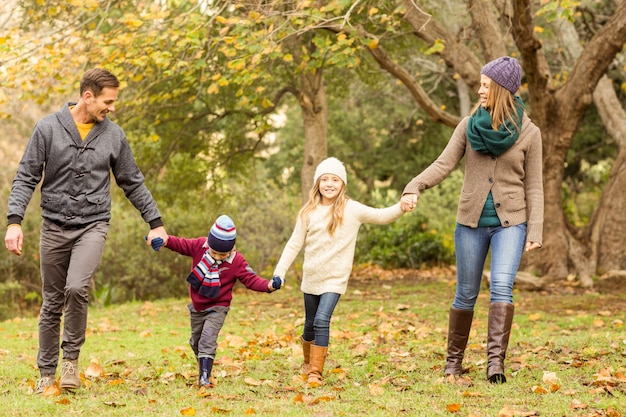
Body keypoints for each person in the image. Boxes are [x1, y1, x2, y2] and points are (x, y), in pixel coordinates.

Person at [4, 68, 169, 394]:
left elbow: (132, 182)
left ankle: (71, 362)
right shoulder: (48, 128)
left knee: (77, 288)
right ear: (88, 96)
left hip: (92, 224)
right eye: (108, 101)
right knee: (52, 301)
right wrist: (14, 221)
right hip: (53, 226)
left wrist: (156, 221)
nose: (112, 108)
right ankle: (47, 372)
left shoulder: (113, 136)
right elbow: (25, 177)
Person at [401, 56, 543, 384]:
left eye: (485, 85)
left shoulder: (530, 133)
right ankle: (454, 363)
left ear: (502, 90)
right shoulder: (467, 126)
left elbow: (534, 185)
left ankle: (495, 365)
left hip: (511, 223)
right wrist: (415, 185)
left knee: (502, 286)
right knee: (466, 292)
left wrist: (535, 227)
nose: (480, 90)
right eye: (480, 84)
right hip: (470, 222)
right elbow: (442, 164)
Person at [273, 157, 414, 387]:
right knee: (309, 324)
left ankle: (315, 372)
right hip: (311, 277)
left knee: (321, 320)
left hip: (335, 279)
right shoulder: (307, 212)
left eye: (335, 179)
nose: (330, 184)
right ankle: (309, 363)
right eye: (325, 179)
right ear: (317, 183)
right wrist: (280, 272)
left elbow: (381, 215)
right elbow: (293, 245)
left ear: (343, 184)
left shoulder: (352, 209)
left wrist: (401, 206)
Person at [162, 214, 283, 389]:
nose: (218, 257)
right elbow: (180, 244)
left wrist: (269, 285)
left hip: (218, 307)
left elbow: (251, 279)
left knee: (207, 340)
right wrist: (164, 240)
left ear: (232, 248)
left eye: (223, 254)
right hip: (197, 306)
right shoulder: (199, 246)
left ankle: (204, 379)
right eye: (214, 252)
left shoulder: (237, 261)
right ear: (209, 245)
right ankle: (206, 368)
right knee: (195, 342)